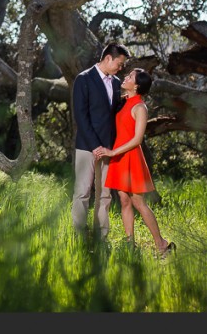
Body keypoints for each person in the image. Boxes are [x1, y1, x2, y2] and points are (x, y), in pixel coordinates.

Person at [95, 68, 175, 257]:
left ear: (137, 85)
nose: (126, 77)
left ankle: (162, 245)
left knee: (138, 202)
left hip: (130, 156)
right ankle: (130, 244)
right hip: (119, 157)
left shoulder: (140, 107)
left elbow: (137, 139)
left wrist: (112, 151)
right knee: (124, 200)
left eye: (130, 76)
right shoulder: (123, 102)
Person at [71, 42, 130, 240]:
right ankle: (78, 236)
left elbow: (113, 115)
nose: (121, 68)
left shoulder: (115, 82)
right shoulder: (84, 79)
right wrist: (95, 145)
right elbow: (80, 115)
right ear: (108, 59)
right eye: (119, 64)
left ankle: (100, 237)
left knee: (105, 195)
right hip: (87, 146)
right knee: (82, 192)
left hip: (109, 147)